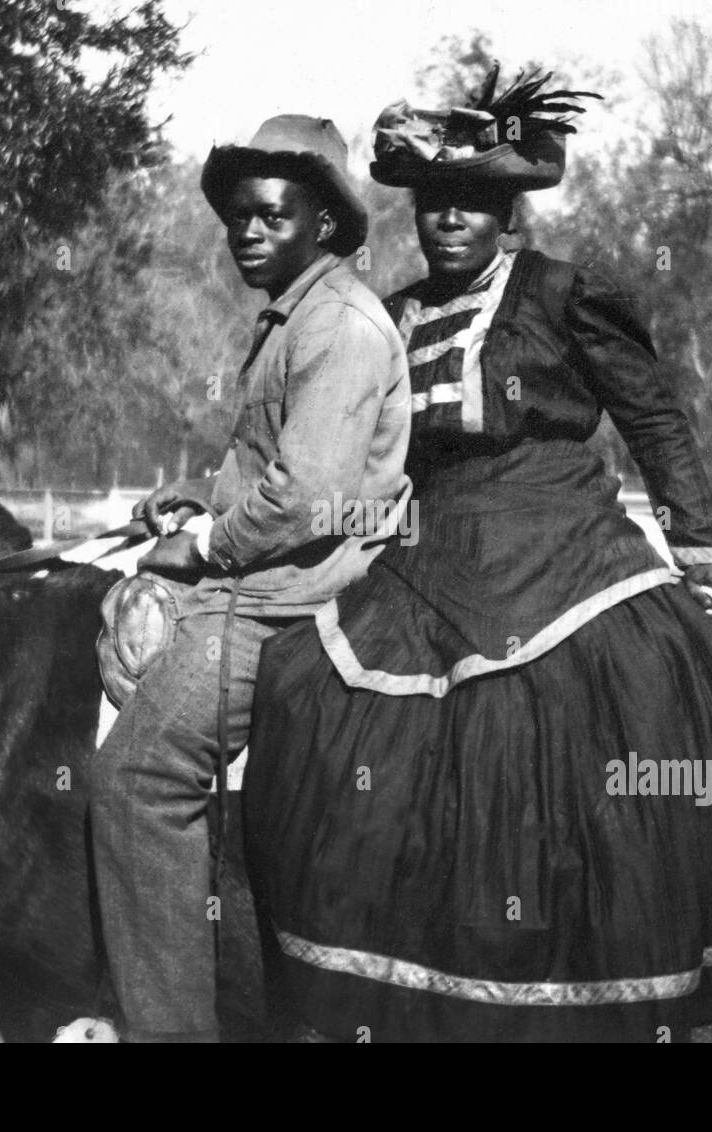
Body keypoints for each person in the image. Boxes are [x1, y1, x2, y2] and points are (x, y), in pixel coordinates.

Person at [242, 72, 712, 1042]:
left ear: (509, 211)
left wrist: (700, 542)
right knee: (311, 694)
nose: (449, 219)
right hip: (427, 556)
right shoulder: (395, 314)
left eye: (472, 201)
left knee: (635, 697)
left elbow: (653, 417)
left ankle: (656, 976)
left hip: (565, 539)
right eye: (433, 202)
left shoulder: (563, 294)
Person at [88, 115, 411, 1043]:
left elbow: (308, 501)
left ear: (324, 224)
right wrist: (191, 496)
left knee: (135, 782)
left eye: (272, 215)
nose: (248, 232)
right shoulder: (295, 318)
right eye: (238, 217)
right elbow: (270, 466)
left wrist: (198, 547)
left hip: (283, 605)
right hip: (260, 581)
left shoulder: (341, 326)